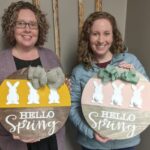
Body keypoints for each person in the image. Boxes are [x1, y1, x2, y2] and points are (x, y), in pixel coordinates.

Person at [69, 11, 148, 150]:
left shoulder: (131, 61)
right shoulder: (79, 71)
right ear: (88, 37)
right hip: (92, 145)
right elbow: (73, 107)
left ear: (113, 35)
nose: (101, 40)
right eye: (95, 34)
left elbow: (147, 96)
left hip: (127, 143)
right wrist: (91, 133)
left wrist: (137, 78)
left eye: (106, 33)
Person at [0, 1, 65, 150]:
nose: (27, 29)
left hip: (50, 141)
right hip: (16, 143)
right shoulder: (1, 61)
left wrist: (66, 88)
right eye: (21, 23)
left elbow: (61, 97)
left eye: (32, 24)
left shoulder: (51, 57)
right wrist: (9, 128)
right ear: (12, 27)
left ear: (39, 28)